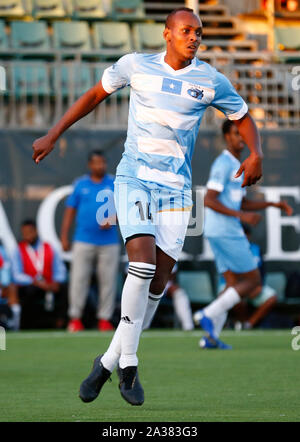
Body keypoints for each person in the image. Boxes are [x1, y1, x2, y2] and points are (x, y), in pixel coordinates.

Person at [32, 7, 263, 406]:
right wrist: (54, 133)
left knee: (156, 286)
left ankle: (106, 362)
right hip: (134, 178)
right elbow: (92, 95)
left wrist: (257, 152)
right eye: (187, 30)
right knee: (141, 266)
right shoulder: (135, 65)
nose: (194, 37)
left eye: (199, 32)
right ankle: (131, 365)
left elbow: (242, 116)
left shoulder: (210, 80)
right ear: (167, 34)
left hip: (177, 191)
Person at [193, 119, 293, 349]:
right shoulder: (224, 163)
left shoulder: (236, 163)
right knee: (253, 280)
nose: (241, 138)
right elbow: (209, 200)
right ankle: (207, 314)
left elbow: (241, 202)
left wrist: (272, 205)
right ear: (226, 137)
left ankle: (210, 337)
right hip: (226, 230)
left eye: (242, 134)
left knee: (232, 284)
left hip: (218, 231)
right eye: (236, 134)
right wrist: (240, 217)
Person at [61, 150, 120, 332]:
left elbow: (126, 210)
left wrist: (112, 219)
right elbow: (70, 211)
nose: (99, 166)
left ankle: (104, 319)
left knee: (108, 281)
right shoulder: (80, 184)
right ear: (89, 165)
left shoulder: (114, 183)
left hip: (109, 241)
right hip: (83, 239)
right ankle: (75, 318)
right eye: (95, 163)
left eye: (102, 162)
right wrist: (64, 236)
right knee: (79, 279)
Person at [11, 219, 67, 329]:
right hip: (32, 285)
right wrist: (35, 282)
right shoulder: (18, 249)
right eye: (25, 233)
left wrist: (56, 281)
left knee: (65, 289)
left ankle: (61, 322)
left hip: (49, 284)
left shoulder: (49, 247)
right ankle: (29, 324)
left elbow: (60, 269)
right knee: (28, 291)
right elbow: (16, 275)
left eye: (30, 232)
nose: (28, 236)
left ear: (36, 231)